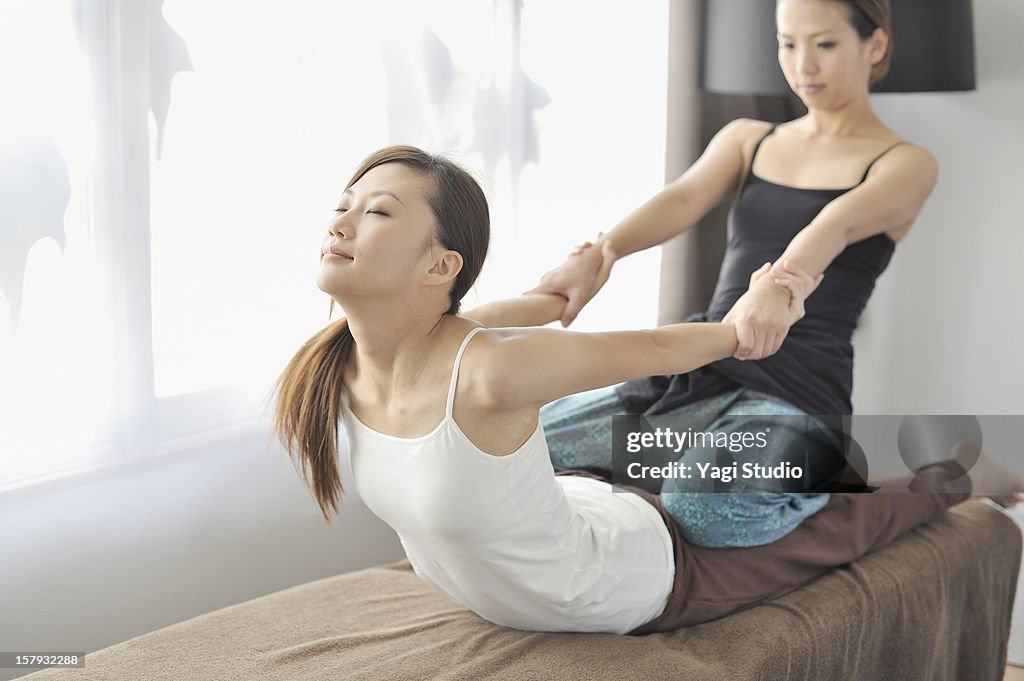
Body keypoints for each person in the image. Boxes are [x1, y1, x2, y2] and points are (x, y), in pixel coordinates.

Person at [272, 145, 1022, 635]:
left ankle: (934, 473)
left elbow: (649, 346)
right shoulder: (334, 361)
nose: (342, 219)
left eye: (376, 211)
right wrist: (576, 276)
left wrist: (751, 321)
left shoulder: (492, 369)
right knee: (562, 437)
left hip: (627, 575)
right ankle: (695, 451)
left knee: (704, 501)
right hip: (580, 519)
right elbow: (507, 313)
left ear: (440, 266)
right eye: (345, 201)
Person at [530, 0, 945, 548]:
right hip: (706, 363)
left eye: (824, 44)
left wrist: (777, 286)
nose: (803, 66)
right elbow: (680, 200)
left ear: (875, 45)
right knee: (531, 443)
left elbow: (836, 224)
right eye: (787, 43)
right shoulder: (750, 138)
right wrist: (601, 255)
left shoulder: (906, 162)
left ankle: (832, 485)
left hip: (797, 397)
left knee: (700, 505)